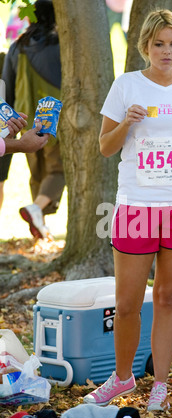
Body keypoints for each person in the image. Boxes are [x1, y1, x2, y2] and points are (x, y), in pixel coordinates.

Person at [84, 9, 172, 411]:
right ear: (144, 45)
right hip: (136, 207)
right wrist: (125, 125)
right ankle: (123, 377)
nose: (167, 51)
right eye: (159, 44)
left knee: (168, 296)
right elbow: (104, 147)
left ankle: (160, 385)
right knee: (127, 302)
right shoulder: (127, 86)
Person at [1, 0, 63, 239]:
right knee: (59, 169)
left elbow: (7, 87)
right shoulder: (61, 45)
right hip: (56, 120)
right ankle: (36, 209)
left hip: (25, 119)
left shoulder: (17, 46)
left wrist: (10, 128)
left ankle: (40, 227)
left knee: (36, 172)